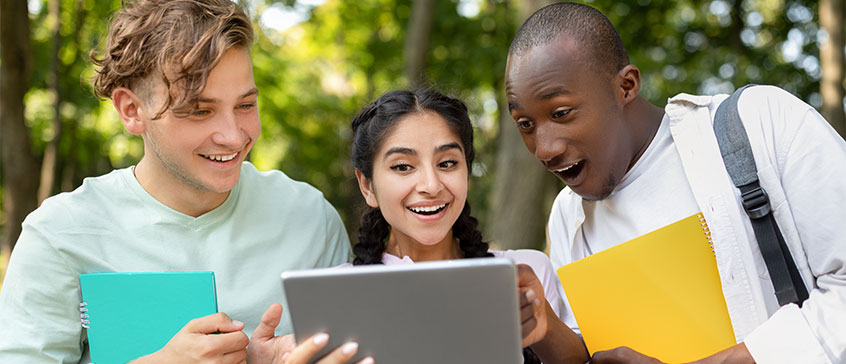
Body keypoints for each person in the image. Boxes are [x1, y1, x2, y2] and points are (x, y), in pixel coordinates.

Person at [0, 1, 363, 363]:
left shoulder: (310, 218)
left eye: (245, 106)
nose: (233, 137)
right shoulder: (60, 234)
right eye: (200, 111)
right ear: (131, 110)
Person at [504, 2, 846, 364]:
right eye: (525, 124)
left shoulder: (763, 124)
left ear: (626, 85)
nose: (544, 149)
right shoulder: (568, 217)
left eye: (561, 113)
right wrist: (542, 322)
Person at [344, 89, 587, 364]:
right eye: (402, 167)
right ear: (367, 185)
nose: (431, 185)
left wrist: (546, 327)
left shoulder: (524, 277)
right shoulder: (337, 295)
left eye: (447, 163)